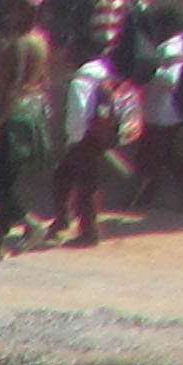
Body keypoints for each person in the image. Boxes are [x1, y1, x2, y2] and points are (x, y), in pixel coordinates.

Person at [0, 0, 58, 262]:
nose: (9, 13)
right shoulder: (42, 41)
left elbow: (13, 89)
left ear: (29, 11)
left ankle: (31, 224)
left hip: (13, 118)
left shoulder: (19, 44)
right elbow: (41, 79)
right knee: (5, 182)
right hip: (30, 115)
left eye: (15, 7)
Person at [53, 47, 131, 249]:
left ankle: (89, 232)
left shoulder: (81, 81)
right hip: (99, 134)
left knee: (85, 182)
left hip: (83, 137)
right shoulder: (106, 75)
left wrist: (74, 139)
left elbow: (78, 113)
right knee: (64, 176)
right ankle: (62, 221)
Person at [129, 12, 183, 208]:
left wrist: (149, 71)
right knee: (158, 151)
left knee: (161, 152)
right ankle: (148, 193)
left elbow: (170, 80)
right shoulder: (177, 47)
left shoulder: (172, 51)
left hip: (165, 110)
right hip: (161, 109)